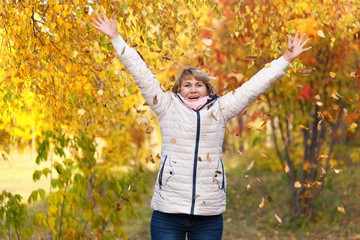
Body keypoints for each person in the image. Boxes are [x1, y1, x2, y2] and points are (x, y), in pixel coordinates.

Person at [91, 9, 311, 240]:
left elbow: (252, 87)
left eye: (199, 85)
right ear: (178, 90)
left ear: (207, 89)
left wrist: (285, 59)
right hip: (168, 212)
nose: (193, 89)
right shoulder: (166, 105)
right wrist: (116, 38)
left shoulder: (220, 109)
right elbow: (142, 74)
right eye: (187, 85)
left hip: (208, 213)